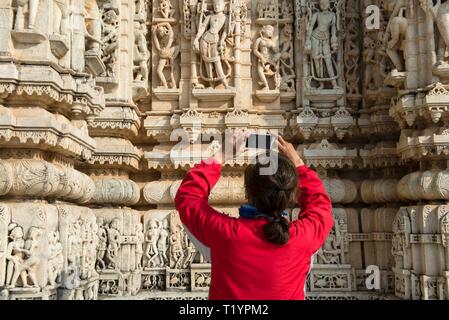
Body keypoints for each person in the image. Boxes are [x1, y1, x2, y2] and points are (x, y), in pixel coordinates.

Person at [175, 135, 334, 300]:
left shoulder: (224, 234)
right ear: (292, 195)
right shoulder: (303, 237)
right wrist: (298, 163)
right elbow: (320, 207)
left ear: (247, 192)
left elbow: (187, 197)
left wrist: (221, 155)